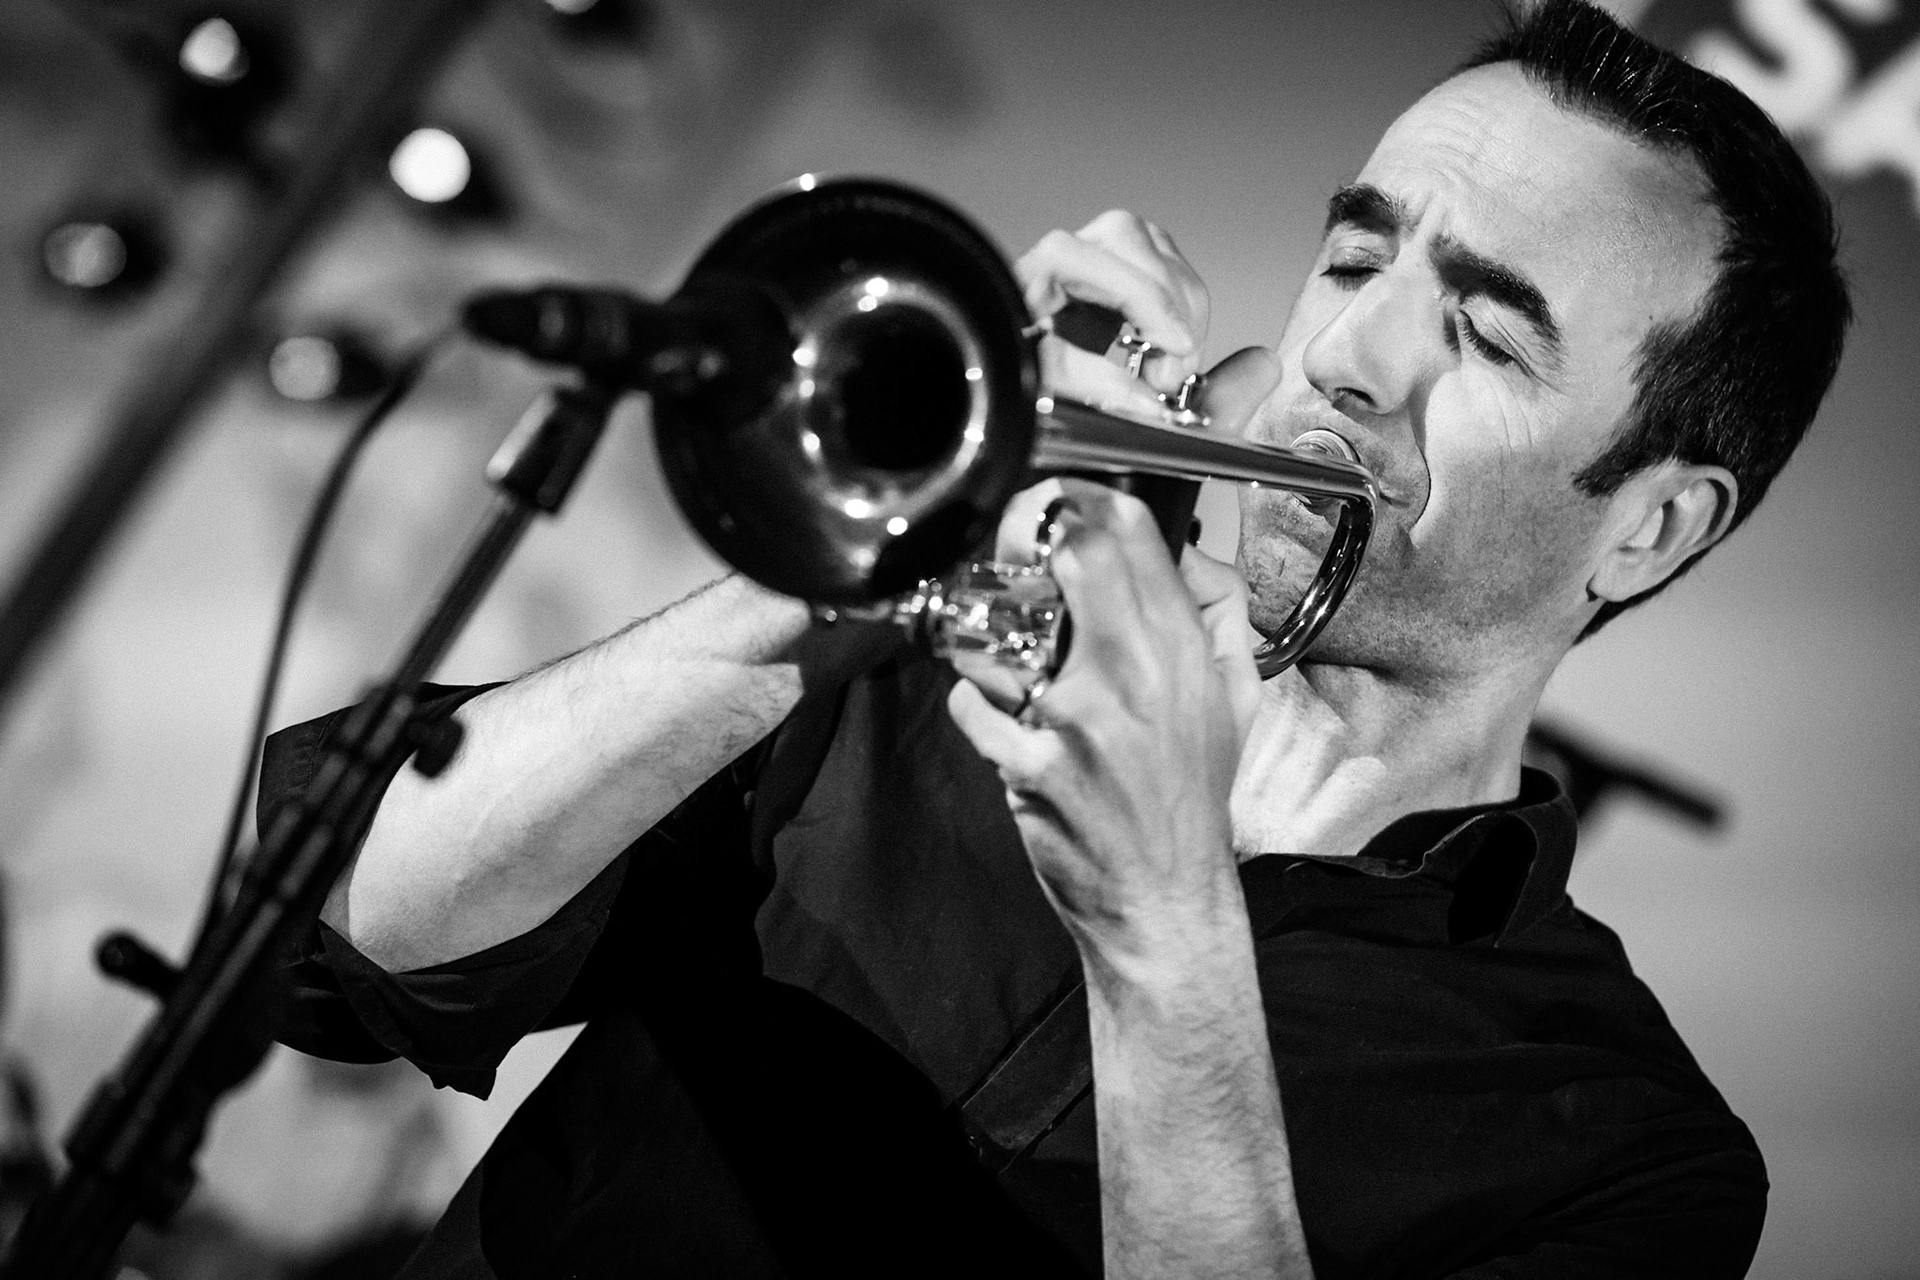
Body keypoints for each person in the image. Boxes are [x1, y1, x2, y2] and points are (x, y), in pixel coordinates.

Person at [265, 1, 1849, 1275]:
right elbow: (360, 938)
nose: (1348, 355)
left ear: (1651, 526)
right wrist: (860, 563)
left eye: (1487, 337)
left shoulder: (1626, 1154)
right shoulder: (914, 676)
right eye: (1356, 260)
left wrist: (1166, 934)